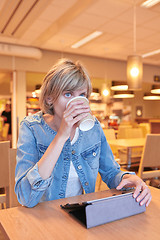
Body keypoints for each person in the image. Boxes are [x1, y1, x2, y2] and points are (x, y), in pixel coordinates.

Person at [15, 58, 151, 208]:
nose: (77, 102)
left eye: (82, 95)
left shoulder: (93, 128)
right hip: (44, 217)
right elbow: (25, 197)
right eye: (68, 94)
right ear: (49, 99)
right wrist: (61, 136)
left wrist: (129, 178)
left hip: (81, 213)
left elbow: (111, 172)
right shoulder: (31, 128)